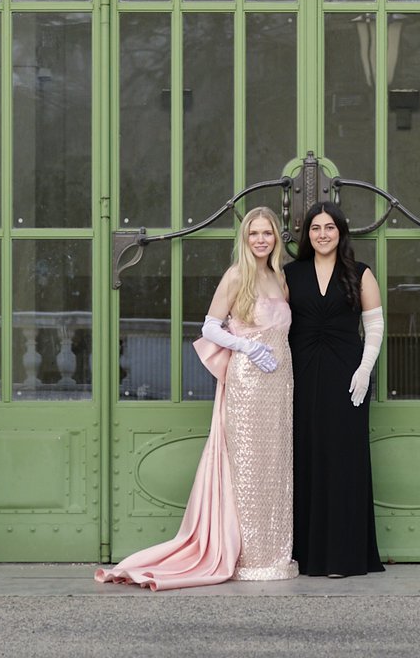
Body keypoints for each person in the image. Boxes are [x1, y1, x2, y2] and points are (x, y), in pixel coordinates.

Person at [99, 206, 294, 588]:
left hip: (280, 383)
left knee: (275, 466)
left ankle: (273, 555)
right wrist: (246, 346)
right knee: (247, 467)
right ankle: (247, 557)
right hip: (248, 383)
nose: (260, 240)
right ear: (245, 238)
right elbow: (209, 327)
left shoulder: (280, 277)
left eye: (267, 233)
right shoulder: (237, 275)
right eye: (254, 233)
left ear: (276, 238)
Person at [286, 200, 384, 579]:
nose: (322, 234)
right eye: (315, 228)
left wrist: (364, 370)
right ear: (307, 234)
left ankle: (344, 557)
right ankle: (306, 555)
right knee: (306, 457)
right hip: (301, 375)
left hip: (348, 376)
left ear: (341, 232)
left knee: (344, 461)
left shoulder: (360, 273)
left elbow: (374, 326)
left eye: (329, 227)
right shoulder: (290, 274)